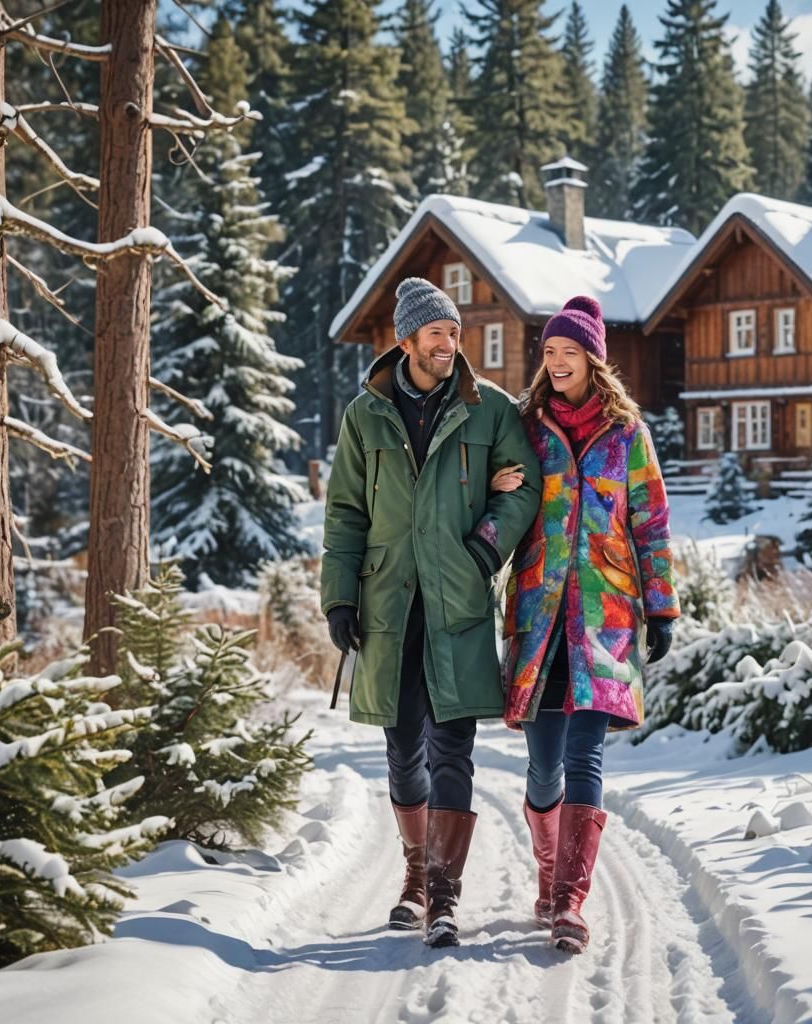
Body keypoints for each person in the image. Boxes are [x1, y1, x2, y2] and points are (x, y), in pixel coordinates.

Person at [321, 277, 540, 948]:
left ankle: (443, 893)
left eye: (455, 333)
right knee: (401, 749)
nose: (449, 344)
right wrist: (339, 595)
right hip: (390, 604)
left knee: (453, 749)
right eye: (437, 333)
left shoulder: (489, 410)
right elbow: (346, 512)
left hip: (457, 603)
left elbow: (523, 489)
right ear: (406, 340)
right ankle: (414, 876)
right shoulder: (366, 415)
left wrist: (484, 548)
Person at [495, 294, 679, 954]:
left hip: (607, 617)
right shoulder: (527, 427)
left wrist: (661, 606)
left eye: (569, 352)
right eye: (549, 352)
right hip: (541, 618)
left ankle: (571, 899)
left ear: (593, 361)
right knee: (543, 768)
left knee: (585, 756)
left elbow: (651, 522)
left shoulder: (628, 435)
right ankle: (548, 874)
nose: (557, 362)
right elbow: (504, 499)